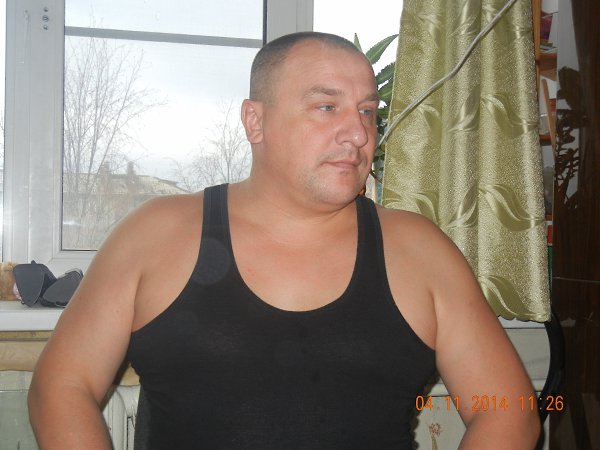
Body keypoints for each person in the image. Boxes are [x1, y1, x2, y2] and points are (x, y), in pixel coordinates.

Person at [28, 32, 540, 449]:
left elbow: (509, 411)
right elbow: (61, 387)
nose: (358, 133)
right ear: (256, 121)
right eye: (326, 107)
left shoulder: (422, 251)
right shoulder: (155, 233)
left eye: (366, 110)